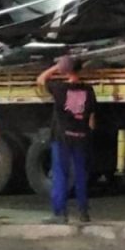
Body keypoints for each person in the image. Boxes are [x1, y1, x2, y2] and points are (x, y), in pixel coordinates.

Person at [36, 57, 96, 224]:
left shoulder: (60, 88)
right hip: (81, 137)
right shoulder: (89, 90)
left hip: (62, 137)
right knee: (80, 174)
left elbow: (41, 79)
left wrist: (56, 67)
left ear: (66, 70)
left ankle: (60, 213)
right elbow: (92, 117)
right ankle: (83, 212)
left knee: (61, 174)